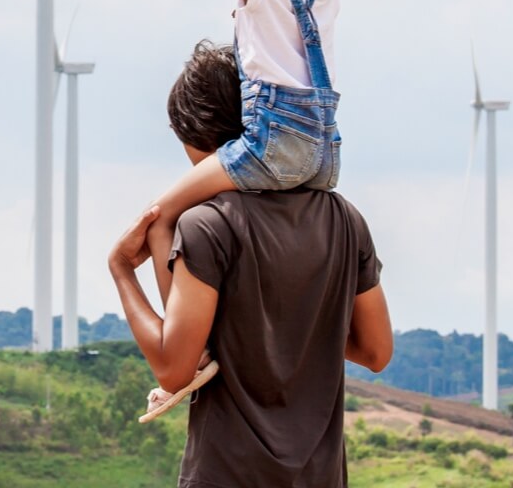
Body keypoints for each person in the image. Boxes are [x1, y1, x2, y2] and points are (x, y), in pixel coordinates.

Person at [86, 0, 388, 411]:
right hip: (323, 155)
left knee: (161, 218)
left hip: (270, 143)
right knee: (183, 214)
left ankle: (191, 350)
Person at [109, 42, 393, 487]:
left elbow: (174, 368)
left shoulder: (207, 227)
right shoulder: (344, 219)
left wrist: (122, 270)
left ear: (195, 134)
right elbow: (376, 352)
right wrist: (293, 329)